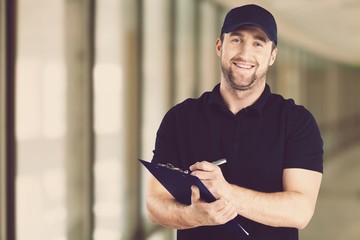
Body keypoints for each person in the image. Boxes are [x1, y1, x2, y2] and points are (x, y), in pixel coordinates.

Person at [145, 4, 323, 240]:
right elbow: (155, 204)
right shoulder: (180, 118)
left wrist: (226, 192)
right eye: (236, 40)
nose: (245, 54)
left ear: (272, 56)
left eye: (258, 43)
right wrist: (194, 216)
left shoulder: (297, 121)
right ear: (220, 46)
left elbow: (300, 211)